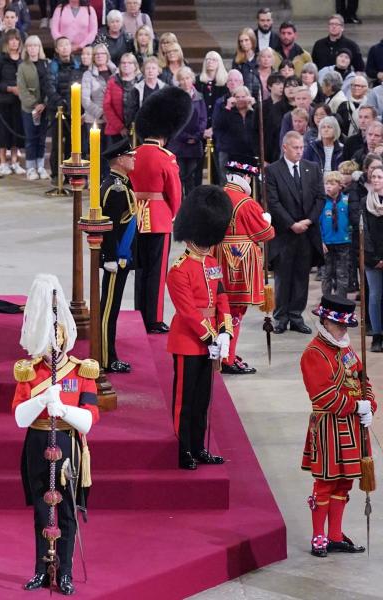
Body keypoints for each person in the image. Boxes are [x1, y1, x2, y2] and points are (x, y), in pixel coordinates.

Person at [12, 273, 99, 594]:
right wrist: (40, 400)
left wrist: (64, 409)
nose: (51, 351)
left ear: (64, 339)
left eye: (55, 343)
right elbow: (20, 417)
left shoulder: (80, 370)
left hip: (67, 443)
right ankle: (40, 568)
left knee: (65, 511)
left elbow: (89, 420)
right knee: (40, 508)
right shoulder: (30, 371)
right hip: (36, 441)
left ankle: (64, 572)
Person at [301, 295, 375, 557]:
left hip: (352, 428)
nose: (343, 330)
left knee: (344, 484)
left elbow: (362, 379)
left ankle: (334, 535)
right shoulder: (314, 353)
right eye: (338, 324)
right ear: (325, 321)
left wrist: (370, 406)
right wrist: (357, 407)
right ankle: (318, 536)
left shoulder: (345, 348)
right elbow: (323, 396)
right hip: (329, 427)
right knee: (325, 483)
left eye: (345, 325)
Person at [167, 185, 234, 469]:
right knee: (185, 401)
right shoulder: (178, 270)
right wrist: (211, 336)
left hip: (211, 341)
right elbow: (188, 312)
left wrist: (226, 330)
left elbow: (221, 296)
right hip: (188, 341)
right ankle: (183, 450)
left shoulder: (211, 262)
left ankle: (198, 446)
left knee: (203, 399)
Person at [129, 86, 189, 334]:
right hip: (159, 217)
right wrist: (175, 214)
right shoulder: (166, 157)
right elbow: (175, 193)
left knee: (140, 269)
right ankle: (153, 318)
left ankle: (138, 312)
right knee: (156, 271)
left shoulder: (133, 153)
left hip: (136, 216)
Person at [213, 159, 275, 375]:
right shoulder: (246, 202)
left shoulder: (217, 196)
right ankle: (227, 357)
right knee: (235, 311)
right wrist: (266, 220)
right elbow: (265, 234)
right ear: (246, 177)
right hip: (240, 261)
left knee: (221, 307)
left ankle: (223, 352)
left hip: (217, 256)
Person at [265, 131, 324, 334]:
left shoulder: (313, 168)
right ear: (285, 148)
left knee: (301, 276)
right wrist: (291, 224)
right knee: (283, 278)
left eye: (301, 148)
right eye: (295, 148)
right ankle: (280, 317)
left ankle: (296, 316)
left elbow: (320, 198)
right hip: (284, 234)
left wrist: (307, 221)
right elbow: (273, 202)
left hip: (307, 233)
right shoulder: (273, 171)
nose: (300, 151)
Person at [99, 137, 136, 372]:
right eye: (130, 156)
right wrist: (110, 257)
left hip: (123, 256)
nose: (134, 159)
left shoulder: (122, 183)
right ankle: (106, 358)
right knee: (108, 311)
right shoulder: (115, 188)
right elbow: (109, 225)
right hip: (116, 258)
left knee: (113, 309)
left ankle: (109, 354)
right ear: (120, 159)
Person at [0, 28, 26, 177]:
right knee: (2, 132)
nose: (14, 42)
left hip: (19, 102)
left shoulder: (23, 59)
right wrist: (10, 88)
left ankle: (15, 161)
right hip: (3, 101)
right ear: (6, 42)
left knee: (17, 131)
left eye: (17, 39)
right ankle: (3, 162)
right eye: (11, 39)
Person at [46, 36, 83, 179]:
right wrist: (62, 102)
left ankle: (69, 174)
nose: (64, 48)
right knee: (57, 143)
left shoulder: (77, 64)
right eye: (61, 46)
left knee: (71, 143)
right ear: (56, 49)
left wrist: (72, 104)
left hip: (73, 109)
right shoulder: (52, 66)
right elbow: (50, 87)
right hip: (57, 110)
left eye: (67, 45)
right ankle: (56, 174)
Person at [169, 67, 206, 196]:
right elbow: (174, 121)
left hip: (195, 145)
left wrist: (196, 136)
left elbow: (203, 119)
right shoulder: (175, 98)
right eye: (182, 79)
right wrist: (185, 137)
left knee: (192, 179)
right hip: (178, 144)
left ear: (192, 79)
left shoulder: (200, 97)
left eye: (187, 78)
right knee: (179, 178)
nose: (185, 82)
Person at [17, 35, 50, 181]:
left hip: (45, 107)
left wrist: (45, 103)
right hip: (29, 108)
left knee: (41, 139)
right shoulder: (23, 66)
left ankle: (41, 166)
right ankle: (30, 167)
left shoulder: (46, 63)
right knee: (31, 138)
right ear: (26, 48)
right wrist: (35, 104)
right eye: (30, 46)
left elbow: (50, 85)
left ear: (39, 48)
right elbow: (22, 89)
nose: (32, 48)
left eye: (35, 45)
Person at [318, 171, 352, 299]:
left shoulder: (346, 201)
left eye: (332, 184)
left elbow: (351, 221)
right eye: (326, 183)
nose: (328, 186)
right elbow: (317, 223)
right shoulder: (321, 202)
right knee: (326, 274)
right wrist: (320, 241)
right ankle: (326, 303)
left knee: (342, 274)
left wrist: (349, 235)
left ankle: (341, 302)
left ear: (340, 186)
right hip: (326, 244)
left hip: (343, 243)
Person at [363, 165, 383, 351]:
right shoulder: (364, 203)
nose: (376, 180)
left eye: (379, 176)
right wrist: (374, 258)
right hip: (372, 259)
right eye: (373, 177)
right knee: (375, 296)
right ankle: (377, 335)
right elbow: (364, 233)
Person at [103, 52, 139, 145]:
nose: (126, 65)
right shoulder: (112, 81)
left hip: (137, 129)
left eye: (129, 63)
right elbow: (107, 106)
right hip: (116, 130)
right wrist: (120, 127)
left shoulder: (141, 81)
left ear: (135, 66)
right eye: (123, 63)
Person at [81, 44, 114, 140]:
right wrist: (102, 114)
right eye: (96, 54)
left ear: (107, 55)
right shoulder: (88, 74)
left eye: (102, 53)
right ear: (93, 57)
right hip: (95, 119)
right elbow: (85, 100)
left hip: (114, 119)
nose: (99, 56)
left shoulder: (116, 72)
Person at [336, 74, 368, 139]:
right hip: (345, 141)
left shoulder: (369, 105)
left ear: (366, 88)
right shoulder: (343, 105)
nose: (357, 88)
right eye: (355, 85)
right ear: (350, 87)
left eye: (360, 86)